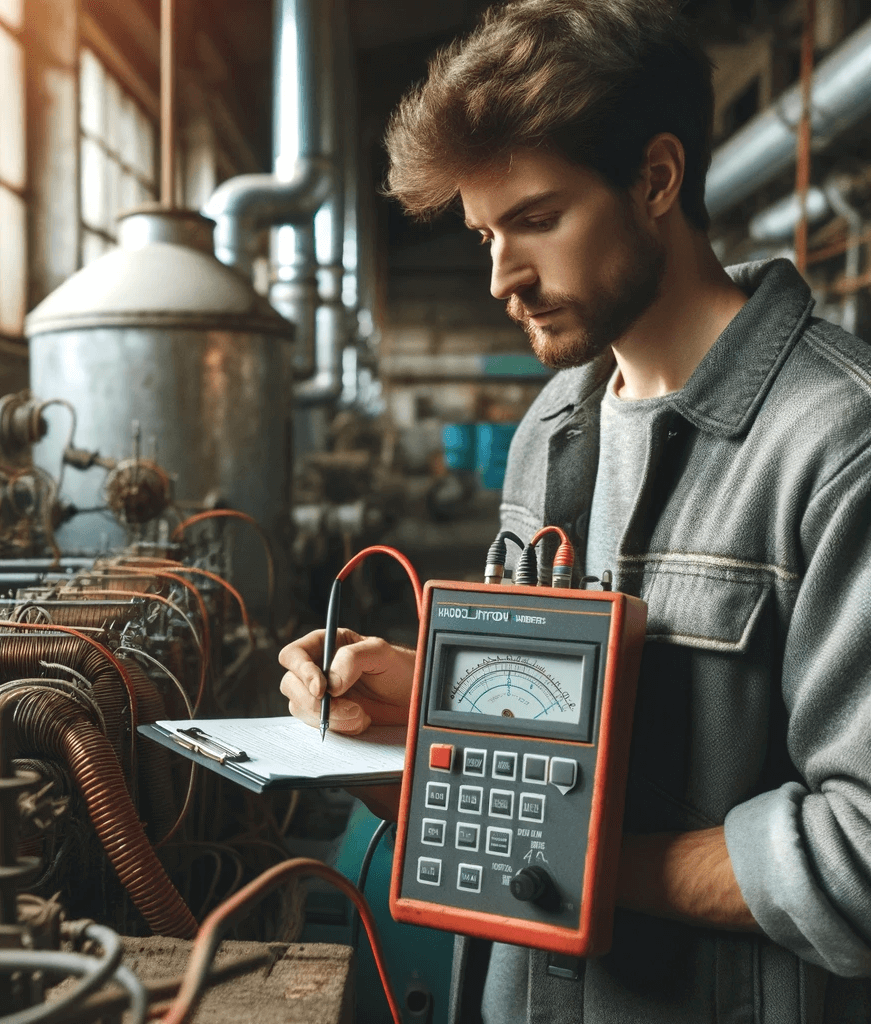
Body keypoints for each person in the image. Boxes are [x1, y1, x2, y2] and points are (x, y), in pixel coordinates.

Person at [279, 1, 871, 1020]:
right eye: (484, 233)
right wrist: (423, 704)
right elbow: (581, 706)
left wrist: (553, 857)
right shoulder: (555, 424)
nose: (502, 276)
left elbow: (859, 858)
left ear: (655, 180)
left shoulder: (833, 444)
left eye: (537, 220)